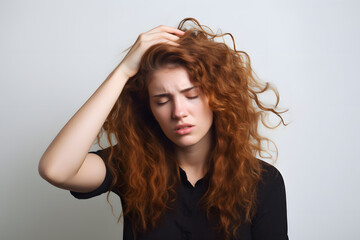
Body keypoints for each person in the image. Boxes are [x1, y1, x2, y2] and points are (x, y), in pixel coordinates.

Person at [38, 18, 289, 240]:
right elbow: (56, 169)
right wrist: (123, 71)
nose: (178, 111)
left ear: (218, 97)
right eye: (162, 100)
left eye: (191, 95)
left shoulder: (264, 182)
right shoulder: (132, 165)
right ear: (149, 107)